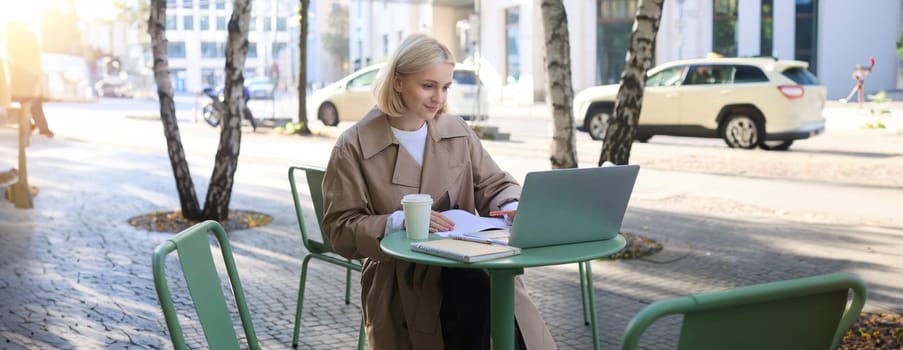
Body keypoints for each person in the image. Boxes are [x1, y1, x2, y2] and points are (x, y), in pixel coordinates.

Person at [321, 33, 557, 350]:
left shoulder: (456, 130)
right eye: (428, 86)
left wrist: (512, 204)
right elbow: (340, 229)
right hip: (401, 281)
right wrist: (397, 222)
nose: (439, 98)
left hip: (472, 263)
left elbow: (495, 184)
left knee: (498, 308)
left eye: (446, 87)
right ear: (398, 82)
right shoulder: (353, 146)